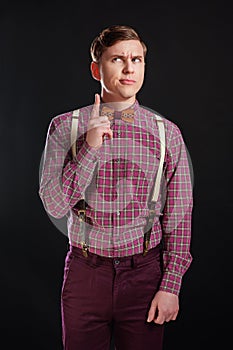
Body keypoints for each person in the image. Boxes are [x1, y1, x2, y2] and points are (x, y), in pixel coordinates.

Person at [39, 24, 193, 350]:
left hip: (145, 276)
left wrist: (171, 285)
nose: (128, 68)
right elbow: (54, 204)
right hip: (85, 274)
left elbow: (179, 218)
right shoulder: (66, 127)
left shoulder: (168, 134)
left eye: (136, 60)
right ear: (97, 68)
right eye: (117, 59)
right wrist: (89, 149)